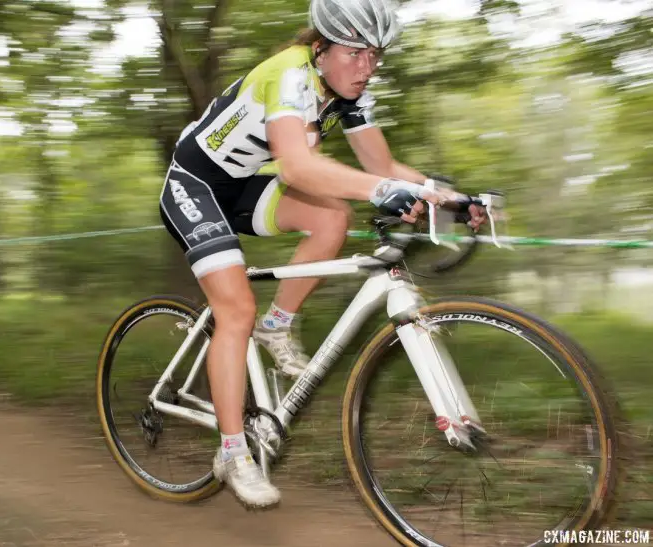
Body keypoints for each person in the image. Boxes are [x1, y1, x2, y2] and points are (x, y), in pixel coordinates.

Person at [158, 0, 486, 508]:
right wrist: (381, 190)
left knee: (332, 216)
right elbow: (297, 168)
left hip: (244, 185)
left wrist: (445, 195)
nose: (366, 67)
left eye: (375, 55)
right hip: (196, 186)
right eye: (355, 53)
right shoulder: (289, 74)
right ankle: (231, 452)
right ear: (321, 47)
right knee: (235, 310)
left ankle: (278, 323)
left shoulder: (349, 94)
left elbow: (381, 164)